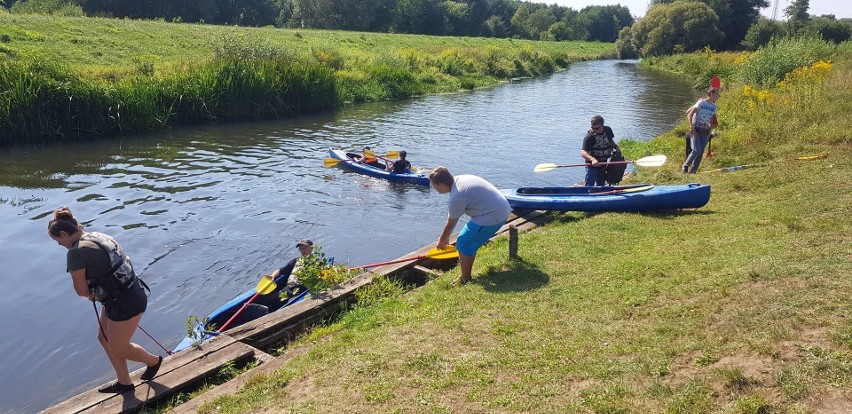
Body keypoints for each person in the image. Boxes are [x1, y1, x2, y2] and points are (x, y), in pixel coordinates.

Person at [47, 207, 162, 393]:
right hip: (130, 293)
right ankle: (124, 382)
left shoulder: (76, 253)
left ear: (63, 233)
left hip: (124, 303)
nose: (59, 244)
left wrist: (91, 292)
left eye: (58, 240)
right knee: (105, 338)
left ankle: (154, 361)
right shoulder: (97, 235)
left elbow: (81, 290)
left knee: (118, 348)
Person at [429, 167, 512, 285]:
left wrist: (441, 240)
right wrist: (445, 236)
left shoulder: (456, 197)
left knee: (463, 242)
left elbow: (451, 222)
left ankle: (465, 278)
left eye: (434, 185)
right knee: (467, 242)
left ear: (441, 184)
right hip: (501, 207)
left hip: (493, 215)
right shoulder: (460, 179)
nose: (434, 188)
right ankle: (465, 273)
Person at [683, 88, 720, 173]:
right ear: (711, 94)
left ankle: (693, 171)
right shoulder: (701, 103)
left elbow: (711, 120)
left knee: (700, 152)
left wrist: (709, 132)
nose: (719, 95)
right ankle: (685, 165)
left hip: (705, 131)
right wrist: (691, 127)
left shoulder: (714, 107)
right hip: (696, 129)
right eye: (717, 93)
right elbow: (690, 114)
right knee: (696, 150)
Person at [580, 115, 621, 186]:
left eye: (597, 128)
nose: (594, 130)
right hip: (591, 165)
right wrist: (593, 160)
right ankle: (588, 194)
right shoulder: (589, 137)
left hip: (603, 163)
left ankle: (601, 195)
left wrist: (616, 147)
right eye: (592, 128)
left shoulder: (608, 130)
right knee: (590, 183)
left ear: (602, 126)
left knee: (601, 183)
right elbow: (583, 152)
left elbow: (610, 140)